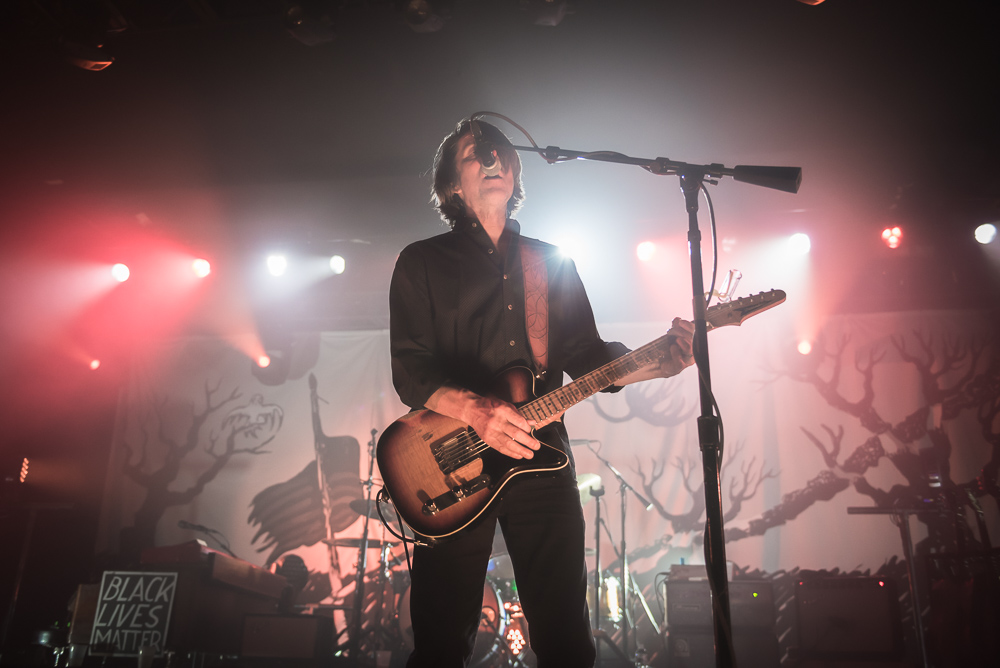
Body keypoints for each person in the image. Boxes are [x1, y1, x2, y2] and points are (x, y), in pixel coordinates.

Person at [388, 118, 695, 667]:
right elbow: (410, 370)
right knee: (440, 645)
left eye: (499, 152)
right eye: (475, 154)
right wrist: (476, 410)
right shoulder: (422, 261)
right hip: (451, 466)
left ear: (516, 170)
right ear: (451, 185)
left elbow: (589, 358)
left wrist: (661, 364)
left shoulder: (551, 262)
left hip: (542, 458)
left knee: (567, 642)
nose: (492, 160)